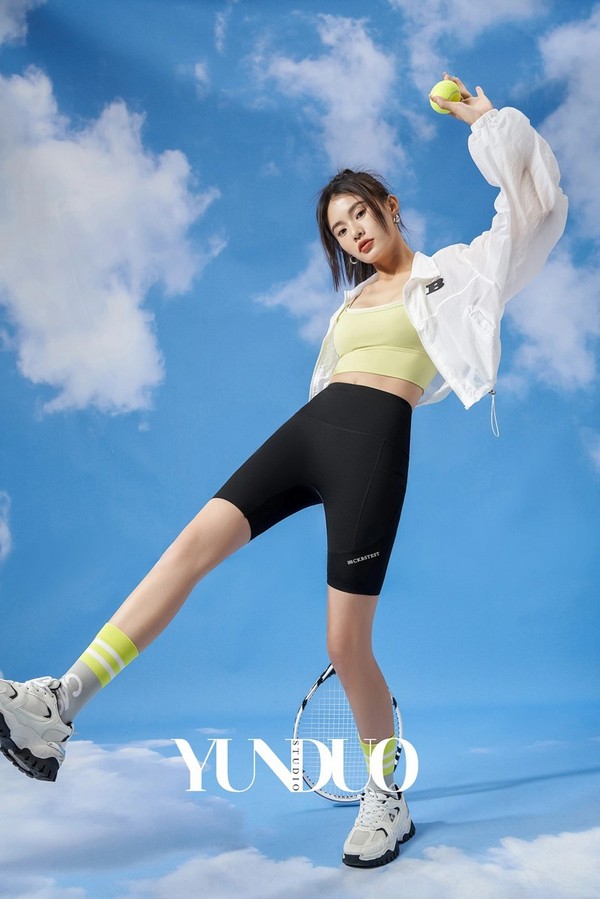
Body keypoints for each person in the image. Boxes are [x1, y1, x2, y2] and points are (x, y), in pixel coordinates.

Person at [0, 75, 567, 869]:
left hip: (373, 444)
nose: (352, 233)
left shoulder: (454, 274)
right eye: (339, 229)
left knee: (345, 642)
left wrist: (485, 121)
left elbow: (533, 211)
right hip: (307, 431)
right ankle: (60, 703)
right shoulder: (349, 307)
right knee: (186, 550)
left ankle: (387, 795)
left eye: (359, 214)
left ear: (390, 206)